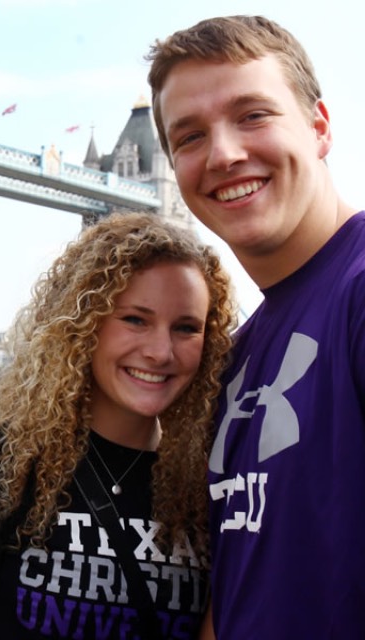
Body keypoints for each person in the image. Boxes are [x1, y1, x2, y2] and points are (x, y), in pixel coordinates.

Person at [0, 211, 236, 639]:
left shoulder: (209, 487)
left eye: (186, 328)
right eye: (135, 319)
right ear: (85, 324)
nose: (160, 351)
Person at [147, 15, 365, 640]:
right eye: (189, 137)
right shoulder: (235, 357)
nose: (223, 154)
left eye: (253, 115)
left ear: (319, 126)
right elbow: (247, 578)